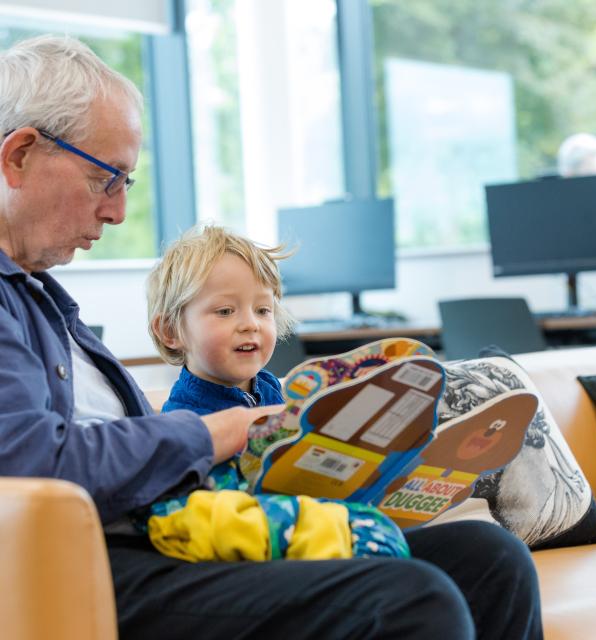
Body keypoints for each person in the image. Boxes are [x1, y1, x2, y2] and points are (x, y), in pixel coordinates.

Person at [0, 34, 542, 639]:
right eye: (108, 178)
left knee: (492, 560)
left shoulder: (40, 296)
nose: (119, 211)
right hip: (107, 564)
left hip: (163, 534)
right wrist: (220, 432)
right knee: (408, 599)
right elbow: (31, 461)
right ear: (20, 155)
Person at [142, 223, 410, 562]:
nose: (250, 324)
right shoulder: (185, 424)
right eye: (225, 311)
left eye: (262, 310)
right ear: (170, 331)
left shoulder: (272, 388)